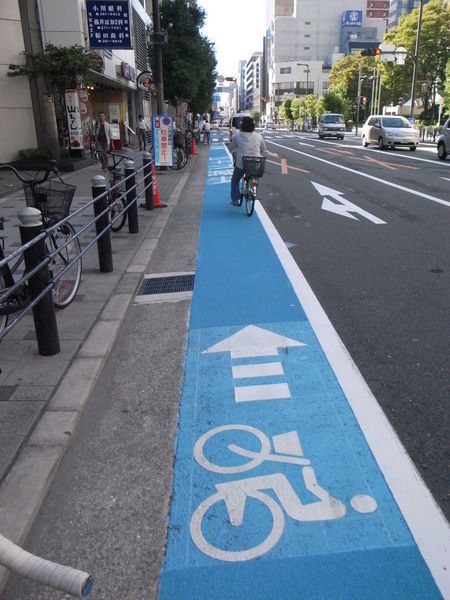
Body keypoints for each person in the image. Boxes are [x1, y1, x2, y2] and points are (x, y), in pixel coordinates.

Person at [229, 116, 266, 206]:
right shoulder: (259, 136)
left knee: (235, 180)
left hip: (242, 164)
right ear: (253, 126)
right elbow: (263, 148)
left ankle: (235, 199)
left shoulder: (237, 136)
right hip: (255, 164)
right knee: (254, 175)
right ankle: (254, 190)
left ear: (242, 126)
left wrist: (235, 152)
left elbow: (231, 148)